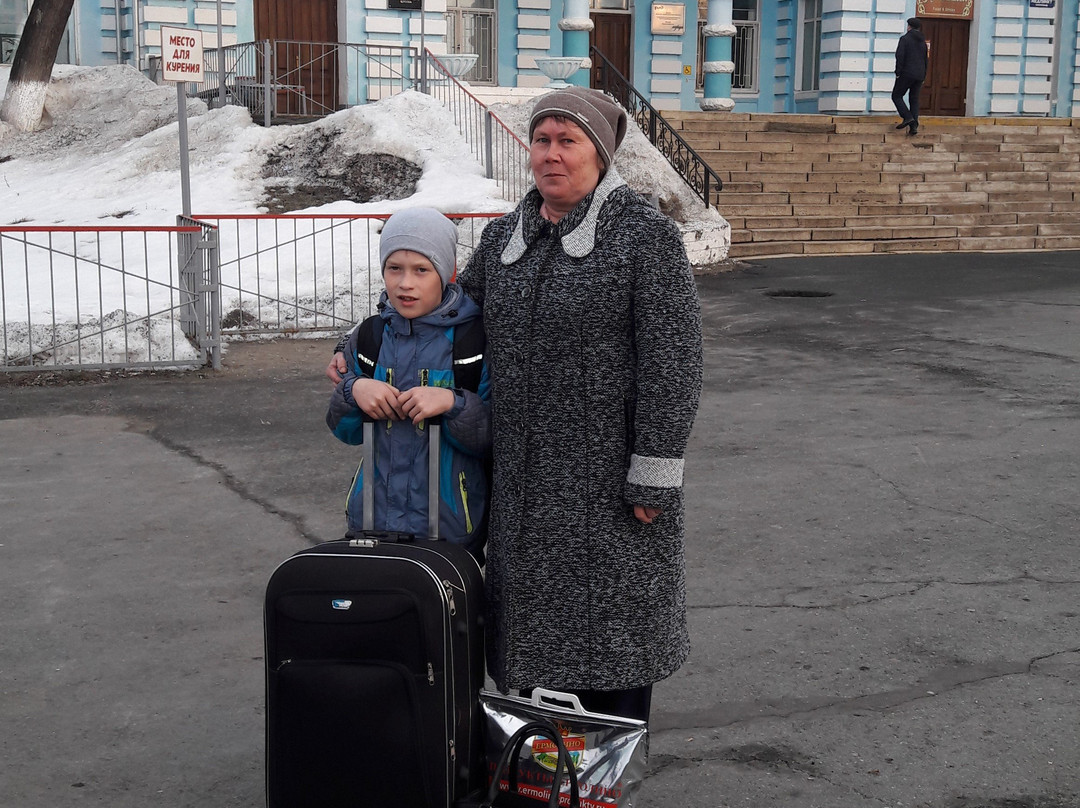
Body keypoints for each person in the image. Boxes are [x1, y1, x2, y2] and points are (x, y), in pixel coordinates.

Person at [458, 87, 703, 722]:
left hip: (611, 485)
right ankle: (543, 768)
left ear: (600, 153)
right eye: (542, 140)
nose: (551, 155)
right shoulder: (504, 238)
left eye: (568, 141)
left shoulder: (643, 236)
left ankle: (605, 772)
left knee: (613, 638)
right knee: (535, 641)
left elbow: (673, 361)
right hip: (523, 484)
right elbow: (448, 314)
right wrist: (366, 347)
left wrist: (654, 472)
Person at [325, 207, 491, 559]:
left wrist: (453, 404)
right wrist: (353, 391)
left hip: (449, 529)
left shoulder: (474, 342)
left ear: (448, 272)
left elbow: (492, 437)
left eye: (421, 270)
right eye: (394, 268)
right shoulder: (369, 338)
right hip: (370, 522)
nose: (405, 283)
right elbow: (344, 430)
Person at [892, 17, 928, 136]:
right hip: (919, 75)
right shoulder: (923, 42)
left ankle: (907, 117)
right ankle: (914, 126)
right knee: (914, 99)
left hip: (906, 73)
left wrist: (898, 72)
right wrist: (924, 75)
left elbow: (900, 56)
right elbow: (925, 60)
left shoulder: (905, 39)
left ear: (909, 27)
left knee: (896, 96)